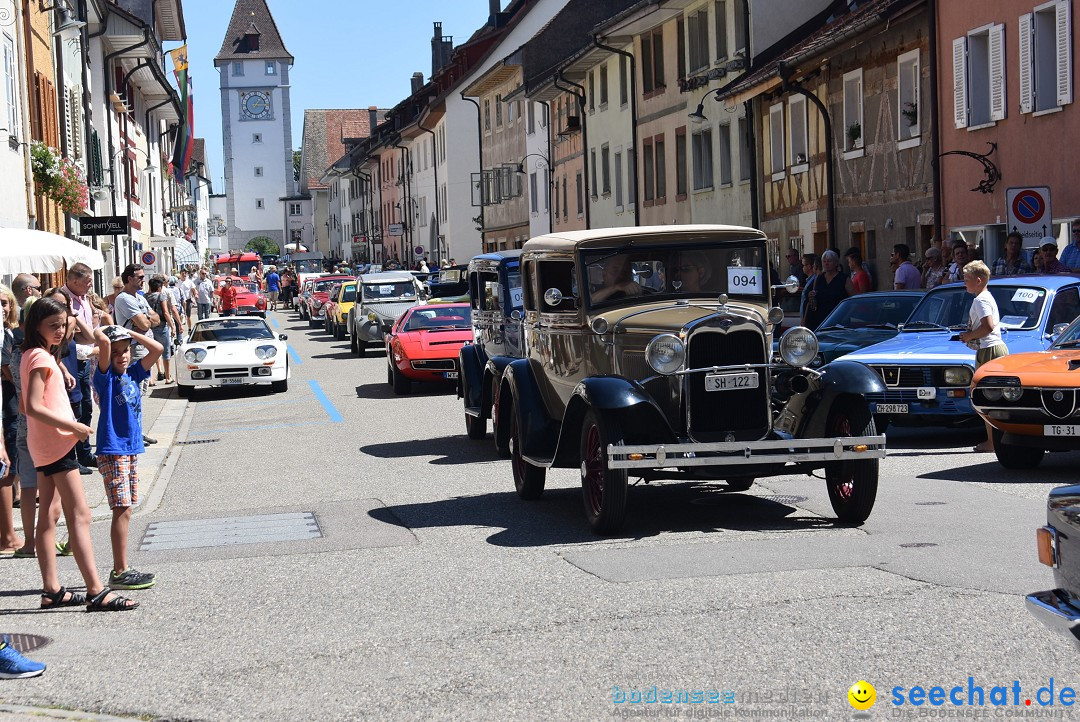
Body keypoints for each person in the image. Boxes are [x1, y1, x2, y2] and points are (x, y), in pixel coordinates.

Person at [21, 297, 138, 612]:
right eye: (53, 326)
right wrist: (74, 426)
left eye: (62, 325)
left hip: (46, 443)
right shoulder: (42, 359)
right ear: (36, 326)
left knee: (49, 514)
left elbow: (29, 405)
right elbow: (31, 406)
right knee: (80, 515)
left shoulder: (34, 354)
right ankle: (96, 590)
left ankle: (52, 590)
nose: (60, 331)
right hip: (57, 443)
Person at [93, 325, 159, 590]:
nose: (122, 356)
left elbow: (158, 349)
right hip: (113, 448)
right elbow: (104, 345)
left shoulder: (133, 372)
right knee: (121, 508)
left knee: (127, 507)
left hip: (130, 448)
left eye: (126, 351)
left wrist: (131, 335)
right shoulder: (105, 378)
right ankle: (119, 571)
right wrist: (105, 335)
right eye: (117, 352)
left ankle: (122, 568)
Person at [957, 261, 1007, 453]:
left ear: (979, 280)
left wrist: (968, 336)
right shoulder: (985, 296)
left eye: (967, 279)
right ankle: (994, 441)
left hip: (990, 350)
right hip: (989, 349)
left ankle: (993, 442)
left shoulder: (981, 300)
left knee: (984, 397)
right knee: (987, 396)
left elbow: (988, 326)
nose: (965, 283)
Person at [60, 263, 98, 471]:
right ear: (74, 281)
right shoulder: (63, 300)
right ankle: (74, 455)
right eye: (87, 281)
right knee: (74, 408)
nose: (90, 285)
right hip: (72, 359)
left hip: (85, 359)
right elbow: (72, 336)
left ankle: (84, 454)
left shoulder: (83, 299)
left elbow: (88, 333)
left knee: (86, 407)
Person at [145, 277, 177, 385]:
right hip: (162, 327)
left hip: (149, 328)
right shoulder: (161, 296)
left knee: (151, 353)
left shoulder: (145, 297)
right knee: (166, 353)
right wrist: (172, 326)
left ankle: (151, 379)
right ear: (160, 287)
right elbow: (166, 312)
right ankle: (168, 377)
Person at [804, 250, 847, 330]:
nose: (826, 263)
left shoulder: (843, 279)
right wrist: (811, 296)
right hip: (820, 320)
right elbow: (813, 298)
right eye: (824, 261)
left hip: (838, 319)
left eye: (829, 261)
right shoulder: (819, 278)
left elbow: (852, 298)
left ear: (836, 263)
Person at [799, 253, 821, 326]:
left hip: (810, 321)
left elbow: (808, 303)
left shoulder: (815, 281)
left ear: (809, 266)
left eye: (803, 265)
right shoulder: (808, 281)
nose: (802, 268)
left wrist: (804, 320)